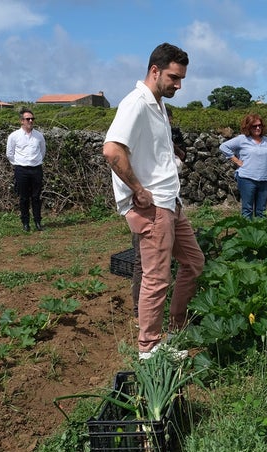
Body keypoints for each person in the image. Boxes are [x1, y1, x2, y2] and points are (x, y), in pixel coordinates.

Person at [102, 42, 205, 360]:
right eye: (174, 77)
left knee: (193, 263)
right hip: (153, 207)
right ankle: (148, 347)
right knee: (157, 276)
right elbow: (112, 150)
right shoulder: (136, 103)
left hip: (169, 202)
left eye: (182, 78)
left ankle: (173, 330)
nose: (179, 85)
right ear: (155, 70)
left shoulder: (157, 105)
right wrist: (137, 189)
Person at [131, 108, 188, 318]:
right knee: (144, 262)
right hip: (149, 206)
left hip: (170, 202)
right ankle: (140, 312)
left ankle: (154, 312)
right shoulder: (146, 139)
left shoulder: (171, 138)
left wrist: (172, 146)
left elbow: (181, 160)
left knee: (165, 264)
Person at [219, 113, 267, 219]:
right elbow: (223, 147)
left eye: (260, 125)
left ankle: (260, 234)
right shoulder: (242, 139)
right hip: (247, 179)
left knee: (262, 211)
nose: (258, 128)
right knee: (247, 209)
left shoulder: (266, 140)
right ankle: (247, 234)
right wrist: (236, 160)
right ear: (248, 127)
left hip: (264, 180)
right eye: (254, 126)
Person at [6, 108, 46, 232]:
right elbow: (10, 153)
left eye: (32, 119)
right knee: (23, 198)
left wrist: (35, 162)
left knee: (36, 197)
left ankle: (38, 222)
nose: (30, 121)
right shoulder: (14, 136)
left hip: (36, 169)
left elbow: (43, 151)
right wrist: (18, 164)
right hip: (21, 170)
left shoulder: (39, 136)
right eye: (27, 119)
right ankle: (25, 223)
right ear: (21, 121)